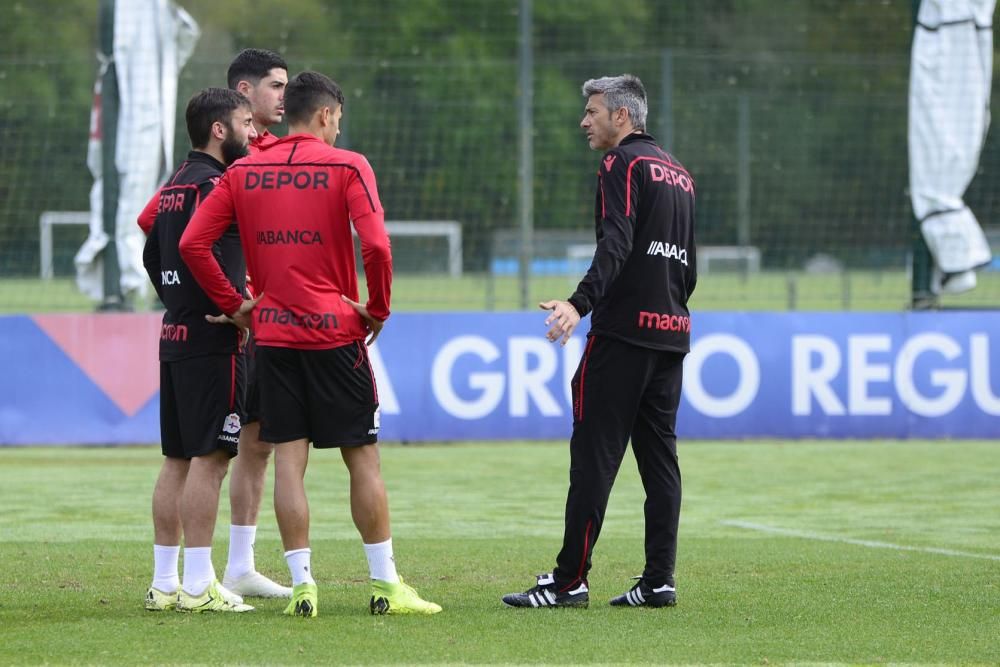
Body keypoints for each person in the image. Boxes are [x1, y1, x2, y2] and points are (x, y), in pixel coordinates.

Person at [179, 71, 442, 618]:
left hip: (272, 335)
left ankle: (303, 587)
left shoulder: (244, 170)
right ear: (325, 115)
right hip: (335, 332)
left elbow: (191, 242)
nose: (340, 130)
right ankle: (385, 585)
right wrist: (379, 308)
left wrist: (236, 305)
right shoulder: (348, 166)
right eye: (339, 120)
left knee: (288, 463)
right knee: (362, 459)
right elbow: (376, 244)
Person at [502, 74, 697, 609]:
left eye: (592, 112)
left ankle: (568, 583)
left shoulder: (621, 164)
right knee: (661, 463)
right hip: (671, 335)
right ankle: (659, 580)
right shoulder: (680, 174)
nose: (584, 121)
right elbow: (689, 269)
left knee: (593, 458)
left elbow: (618, 241)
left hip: (623, 335)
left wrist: (578, 303)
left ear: (622, 116)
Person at [143, 87, 259, 613]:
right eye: (244, 122)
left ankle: (165, 583)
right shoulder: (219, 184)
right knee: (211, 461)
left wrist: (177, 297)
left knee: (176, 461)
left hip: (175, 334)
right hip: (215, 339)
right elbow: (196, 244)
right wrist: (233, 303)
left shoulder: (173, 185)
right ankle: (198, 585)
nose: (252, 132)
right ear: (220, 128)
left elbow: (151, 242)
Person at [219, 47, 293, 600]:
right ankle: (201, 570)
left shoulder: (283, 150)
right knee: (222, 449)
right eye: (273, 85)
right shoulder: (229, 153)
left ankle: (239, 565)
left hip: (276, 322)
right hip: (247, 324)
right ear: (244, 92)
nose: (282, 95)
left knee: (260, 444)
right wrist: (224, 293)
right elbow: (160, 222)